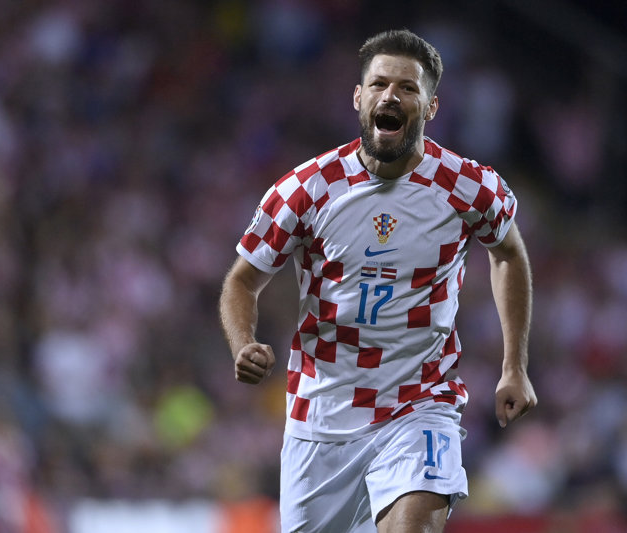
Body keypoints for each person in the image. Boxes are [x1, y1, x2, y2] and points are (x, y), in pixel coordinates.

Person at [218, 29, 537, 533]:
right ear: (358, 97)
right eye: (380, 84)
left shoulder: (466, 186)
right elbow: (242, 280)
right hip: (322, 413)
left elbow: (508, 253)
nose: (391, 96)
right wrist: (243, 342)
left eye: (408, 88)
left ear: (430, 107)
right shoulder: (308, 188)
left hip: (420, 403)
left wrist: (513, 365)